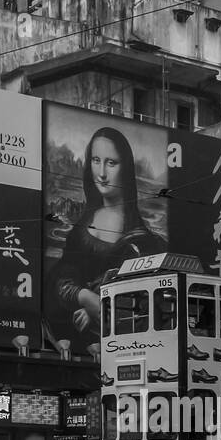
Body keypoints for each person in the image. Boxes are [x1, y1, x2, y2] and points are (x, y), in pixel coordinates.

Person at [50, 127, 166, 345]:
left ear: (126, 169)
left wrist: (97, 309)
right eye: (95, 160)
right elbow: (61, 279)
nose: (101, 173)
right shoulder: (82, 228)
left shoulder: (142, 240)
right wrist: (86, 298)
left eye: (111, 163)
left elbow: (144, 296)